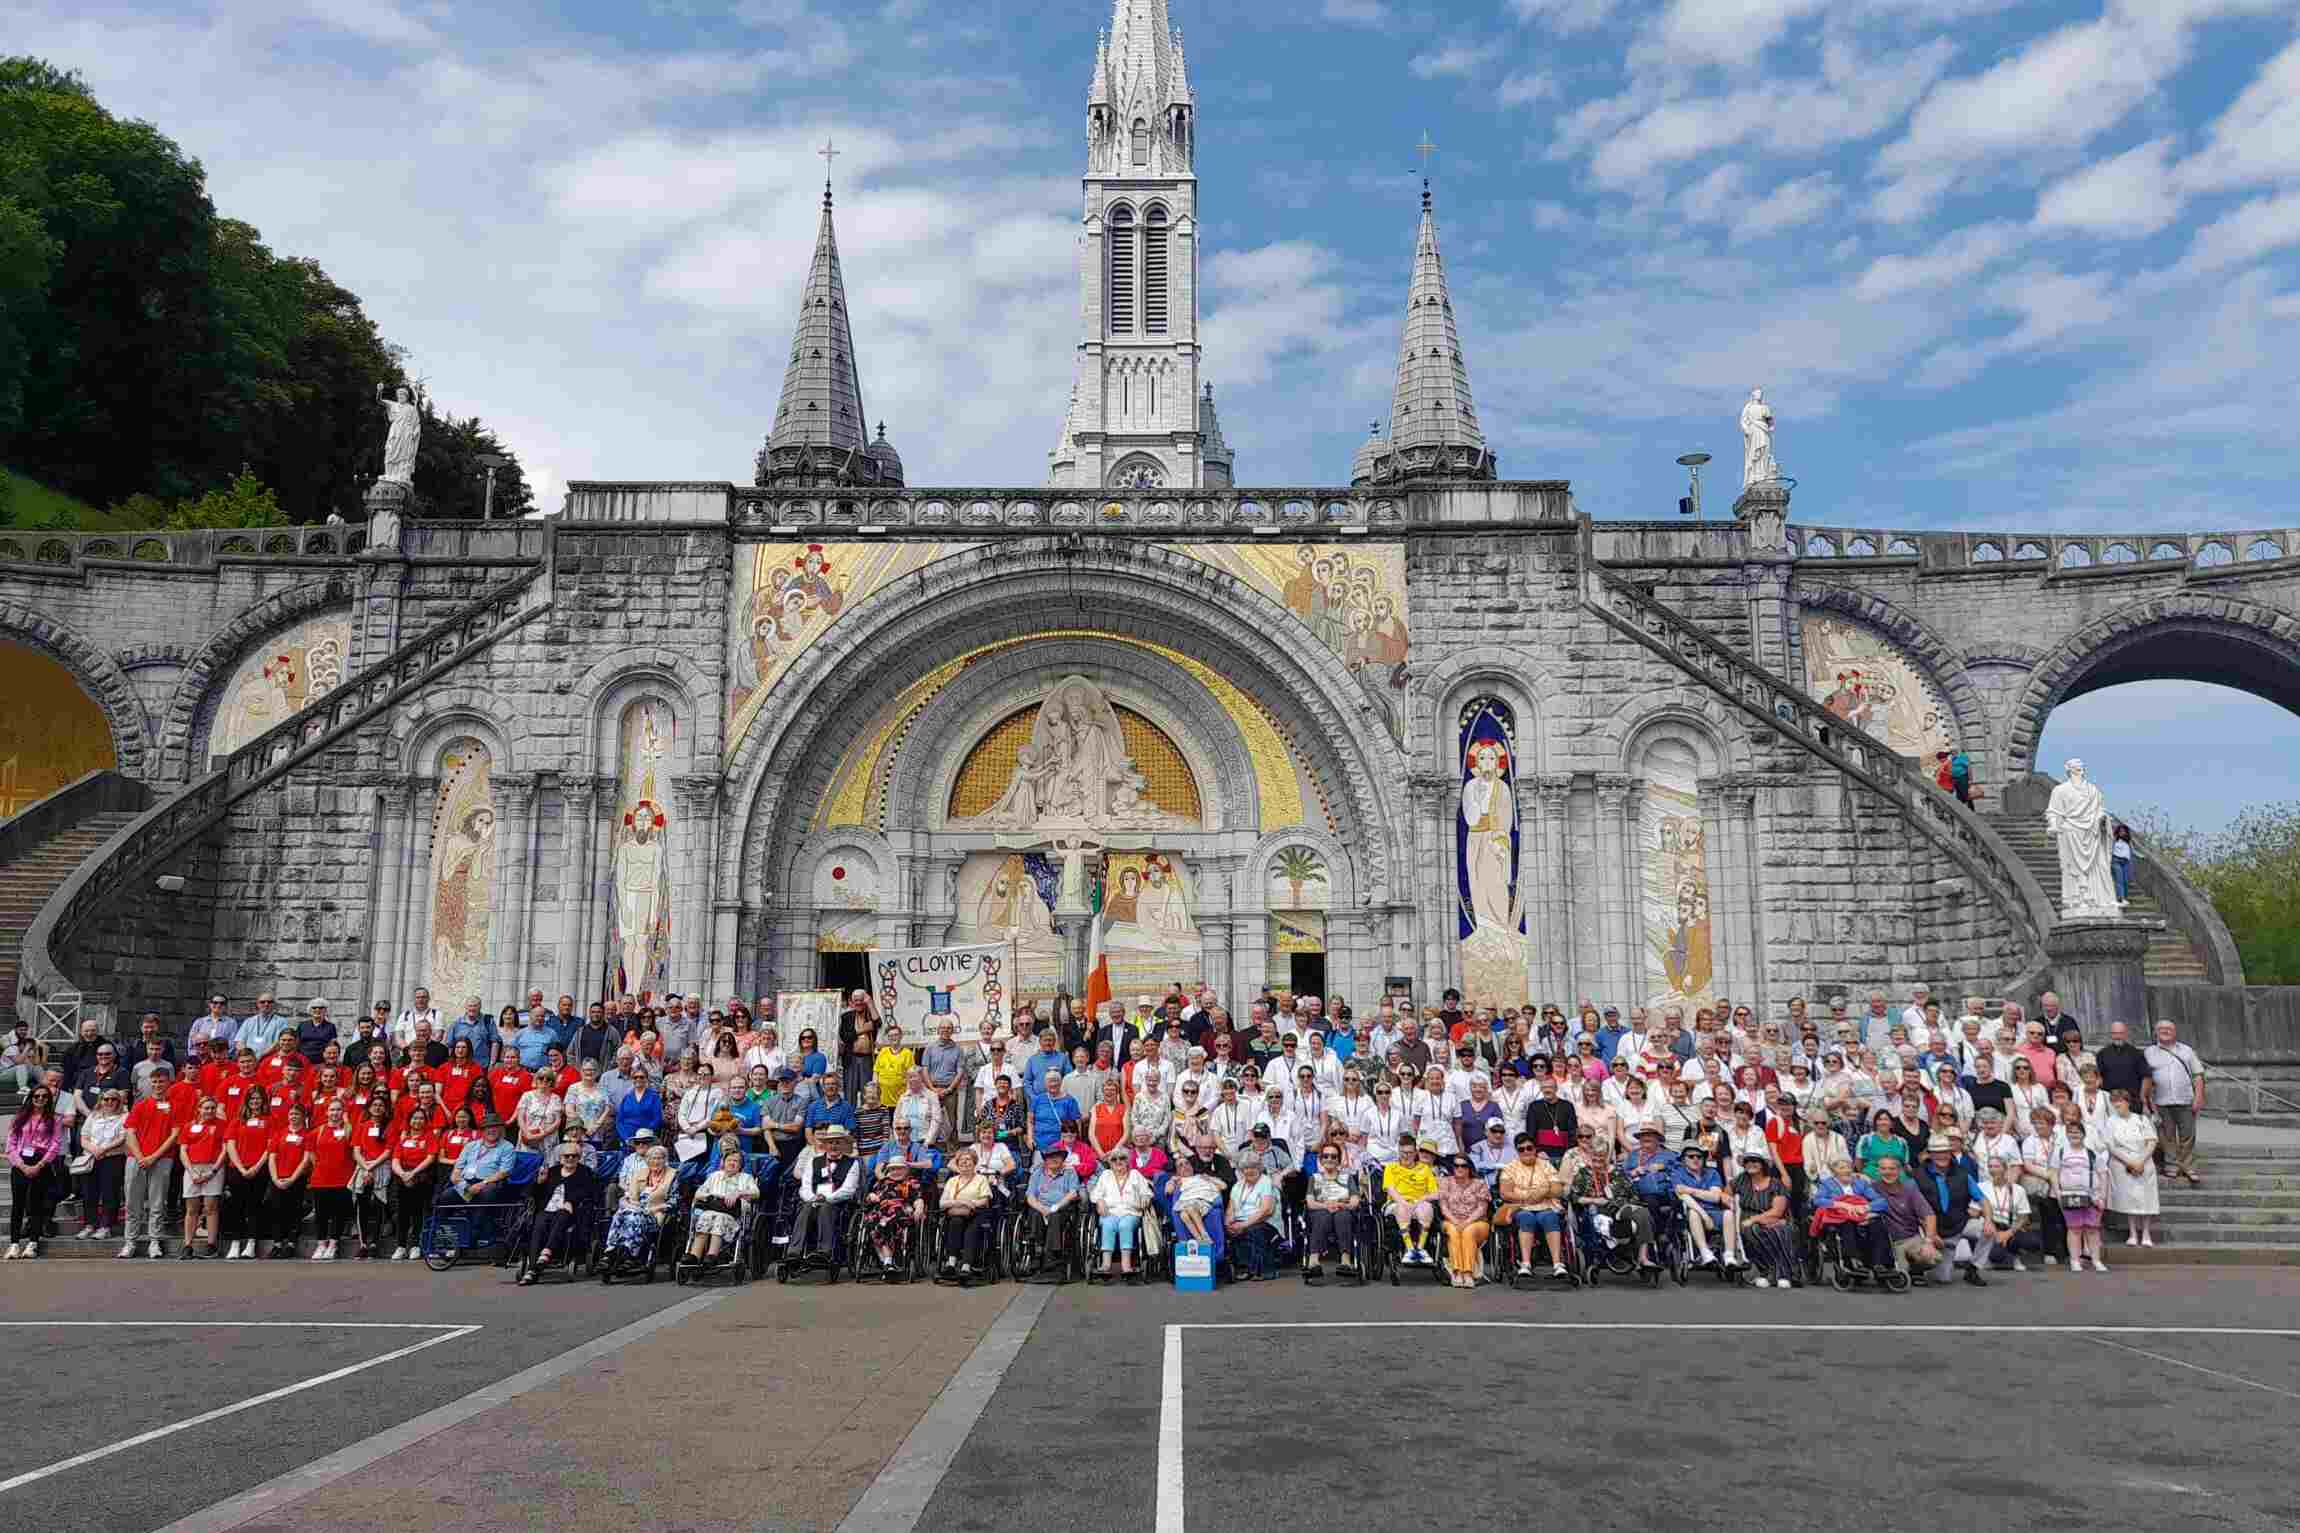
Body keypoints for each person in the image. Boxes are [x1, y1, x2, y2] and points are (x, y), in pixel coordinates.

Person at [5, 1083, 68, 1260]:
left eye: (44, 1096)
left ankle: (33, 1242)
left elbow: (55, 1145)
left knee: (36, 1205)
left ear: (49, 1100)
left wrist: (39, 1165)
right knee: (18, 1205)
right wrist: (22, 1165)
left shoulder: (54, 1119)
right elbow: (10, 1145)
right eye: (36, 1096)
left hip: (41, 1163)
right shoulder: (20, 1117)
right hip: (20, 1163)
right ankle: (14, 1243)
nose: (40, 1099)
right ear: (31, 1098)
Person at [2141, 1020, 2205, 1185]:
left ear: (2175, 1031)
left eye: (2169, 1028)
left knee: (2188, 1134)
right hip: (2161, 1101)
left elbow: (2198, 1075)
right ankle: (2172, 1165)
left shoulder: (2186, 1050)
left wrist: (2199, 1097)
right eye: (2161, 1029)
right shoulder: (2149, 1052)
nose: (2165, 1031)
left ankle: (2188, 1165)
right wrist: (2147, 1099)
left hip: (2185, 1099)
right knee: (2166, 1136)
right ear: (2156, 1032)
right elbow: (2146, 1078)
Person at [789, 1125, 860, 1263]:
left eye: (838, 1142)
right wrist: (814, 1198)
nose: (834, 1145)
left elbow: (849, 1189)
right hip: (812, 1201)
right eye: (831, 1142)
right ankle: (794, 1252)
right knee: (806, 1208)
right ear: (825, 1144)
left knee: (826, 1207)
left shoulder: (852, 1163)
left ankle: (824, 1251)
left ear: (844, 1144)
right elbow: (805, 1186)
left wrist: (827, 1198)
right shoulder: (813, 1161)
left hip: (836, 1204)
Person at [604, 1144, 679, 1269]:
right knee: (619, 1215)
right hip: (635, 1210)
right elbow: (630, 1197)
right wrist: (632, 1206)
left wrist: (654, 1208)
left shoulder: (672, 1175)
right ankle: (610, 1252)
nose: (656, 1161)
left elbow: (674, 1201)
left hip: (655, 1214)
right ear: (647, 1160)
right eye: (653, 1158)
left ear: (665, 1160)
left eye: (660, 1158)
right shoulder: (639, 1174)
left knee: (632, 1216)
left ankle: (630, 1255)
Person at [1090, 1144, 1156, 1284]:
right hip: (1110, 1212)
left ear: (1128, 1160)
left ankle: (1126, 1265)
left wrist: (1145, 1197)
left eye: (1122, 1158)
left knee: (1125, 1225)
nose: (1118, 1161)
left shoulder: (1135, 1175)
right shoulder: (1105, 1175)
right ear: (1110, 1162)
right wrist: (1100, 1201)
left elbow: (1147, 1191)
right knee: (1108, 1224)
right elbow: (1095, 1193)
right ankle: (1106, 1264)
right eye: (1114, 1159)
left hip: (1130, 1212)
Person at [683, 1146, 758, 1267]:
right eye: (729, 1160)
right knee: (705, 1216)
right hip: (711, 1209)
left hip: (733, 1214)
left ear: (741, 1165)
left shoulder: (746, 1178)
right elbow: (698, 1194)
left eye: (736, 1161)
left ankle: (712, 1255)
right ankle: (694, 1256)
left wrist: (739, 1193)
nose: (732, 1163)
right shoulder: (714, 1176)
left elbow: (756, 1193)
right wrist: (712, 1196)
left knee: (719, 1218)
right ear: (723, 1163)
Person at [2102, 1089, 2160, 1247]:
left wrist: (2141, 1160)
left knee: (2147, 1198)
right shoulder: (2110, 1121)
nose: (2117, 1104)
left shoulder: (2141, 1119)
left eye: (2120, 1101)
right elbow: (2110, 1145)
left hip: (2144, 1160)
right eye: (2114, 1102)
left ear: (2127, 1102)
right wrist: (2129, 1162)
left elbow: (2152, 1141)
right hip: (2123, 1162)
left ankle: (2146, 1232)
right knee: (2129, 1199)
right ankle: (2133, 1232)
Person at [1732, 1150, 1796, 1288]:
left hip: (1772, 1217)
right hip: (1747, 1218)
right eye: (1747, 1162)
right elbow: (1725, 1194)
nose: (1750, 1164)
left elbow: (1777, 1211)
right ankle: (1766, 1271)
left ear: (1762, 1165)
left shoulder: (1775, 1183)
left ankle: (1783, 1273)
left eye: (1755, 1161)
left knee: (1780, 1230)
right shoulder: (1741, 1179)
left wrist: (1755, 1219)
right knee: (1751, 1230)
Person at [306, 1099, 359, 1261]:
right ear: (326, 1112)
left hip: (342, 1180)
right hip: (321, 1179)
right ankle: (321, 1244)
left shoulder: (350, 1130)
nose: (334, 1113)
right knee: (321, 1214)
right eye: (332, 1110)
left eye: (338, 1110)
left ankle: (333, 1244)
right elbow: (311, 1153)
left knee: (339, 1214)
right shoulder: (317, 1131)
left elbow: (355, 1153)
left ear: (343, 1112)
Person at [938, 1145, 998, 1286]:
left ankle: (966, 1266)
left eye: (968, 1159)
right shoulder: (952, 1181)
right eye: (962, 1160)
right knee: (955, 1223)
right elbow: (942, 1204)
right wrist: (959, 1202)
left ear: (974, 1162)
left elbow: (985, 1200)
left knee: (972, 1230)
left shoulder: (981, 1179)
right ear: (957, 1164)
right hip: (956, 1212)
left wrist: (972, 1204)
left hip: (977, 1212)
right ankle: (951, 1263)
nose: (965, 1162)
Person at [2054, 1120, 2108, 1273]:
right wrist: (2058, 1193)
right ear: (2066, 1135)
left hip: (2092, 1196)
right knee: (2074, 1229)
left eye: (2077, 1132)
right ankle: (2075, 1261)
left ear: (2083, 1134)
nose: (2074, 1135)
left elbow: (2103, 1175)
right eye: (2071, 1132)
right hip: (2070, 1195)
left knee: (2093, 1229)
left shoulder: (2092, 1153)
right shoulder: (2061, 1152)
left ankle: (2096, 1260)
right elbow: (2053, 1174)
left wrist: (2103, 1197)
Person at [1301, 1142, 1361, 1281]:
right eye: (1326, 1156)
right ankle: (1313, 1261)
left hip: (1343, 1209)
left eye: (1333, 1156)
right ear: (1321, 1159)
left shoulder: (1347, 1177)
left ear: (1338, 1160)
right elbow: (1310, 1203)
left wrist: (1341, 1205)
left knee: (1343, 1217)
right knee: (1323, 1216)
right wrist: (1326, 1206)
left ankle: (1346, 1260)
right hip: (1320, 1210)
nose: (1329, 1159)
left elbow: (1354, 1201)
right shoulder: (1314, 1178)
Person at [388, 1104, 440, 1260]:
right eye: (415, 1118)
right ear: (409, 1121)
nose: (418, 1121)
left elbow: (430, 1158)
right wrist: (403, 1174)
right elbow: (395, 1160)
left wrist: (413, 1173)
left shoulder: (430, 1137)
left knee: (418, 1213)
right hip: (403, 1179)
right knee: (402, 1214)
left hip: (422, 1179)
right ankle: (401, 1246)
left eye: (421, 1118)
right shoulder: (404, 1139)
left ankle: (416, 1245)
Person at [862, 1159, 929, 1279]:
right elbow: (871, 1197)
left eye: (899, 1168)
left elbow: (918, 1199)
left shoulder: (912, 1182)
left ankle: (888, 1260)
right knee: (872, 1221)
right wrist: (871, 1196)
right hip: (881, 1210)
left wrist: (919, 1208)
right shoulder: (882, 1182)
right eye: (892, 1169)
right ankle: (887, 1261)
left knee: (890, 1220)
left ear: (906, 1170)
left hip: (901, 1209)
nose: (895, 1171)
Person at [264, 1103, 315, 1259]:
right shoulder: (279, 1134)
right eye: (292, 1114)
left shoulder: (308, 1135)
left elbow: (306, 1160)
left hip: (296, 1179)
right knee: (277, 1212)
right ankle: (277, 1244)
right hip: (277, 1178)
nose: (294, 1117)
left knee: (293, 1211)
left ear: (303, 1117)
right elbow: (272, 1157)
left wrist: (292, 1178)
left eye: (297, 1114)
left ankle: (291, 1244)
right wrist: (275, 1178)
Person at [1382, 1136, 1441, 1266]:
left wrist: (1422, 1199)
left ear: (1415, 1153)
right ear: (1399, 1151)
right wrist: (1405, 1203)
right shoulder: (1391, 1168)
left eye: (1409, 1153)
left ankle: (1419, 1248)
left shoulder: (1425, 1169)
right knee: (1402, 1208)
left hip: (1419, 1202)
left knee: (1426, 1208)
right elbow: (1390, 1190)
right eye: (1403, 1152)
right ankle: (1409, 1248)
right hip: (1396, 1203)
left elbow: (1436, 1193)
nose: (1406, 1156)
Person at [1437, 1154, 1492, 1289]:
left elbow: (1482, 1209)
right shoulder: (1446, 1182)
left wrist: (1467, 1222)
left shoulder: (1480, 1183)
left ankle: (1468, 1273)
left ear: (1469, 1168)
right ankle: (1457, 1272)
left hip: (1477, 1222)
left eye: (1463, 1165)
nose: (1459, 1168)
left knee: (1468, 1231)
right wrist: (1456, 1221)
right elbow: (1443, 1208)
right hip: (1451, 1220)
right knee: (1453, 1231)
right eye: (1456, 1165)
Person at [1025, 1142, 1082, 1272]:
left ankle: (1052, 1254)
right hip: (1040, 1207)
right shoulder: (1038, 1173)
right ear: (1045, 1160)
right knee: (1035, 1214)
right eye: (1050, 1157)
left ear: (1062, 1159)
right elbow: (1030, 1196)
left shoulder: (1069, 1172)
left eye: (1057, 1156)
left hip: (1061, 1207)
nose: (1053, 1159)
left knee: (1055, 1216)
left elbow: (1073, 1193)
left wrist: (1056, 1206)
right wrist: (1042, 1208)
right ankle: (1038, 1252)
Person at [1227, 1158, 1280, 1280]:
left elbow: (1266, 1210)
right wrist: (1228, 1223)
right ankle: (1244, 1268)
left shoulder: (1265, 1182)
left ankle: (1263, 1271)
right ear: (1241, 1171)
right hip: (1243, 1222)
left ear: (1260, 1169)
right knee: (1231, 1231)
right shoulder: (1238, 1186)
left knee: (1254, 1230)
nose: (1249, 1171)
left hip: (1266, 1221)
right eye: (1246, 1168)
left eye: (1253, 1167)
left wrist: (1243, 1225)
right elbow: (1230, 1209)